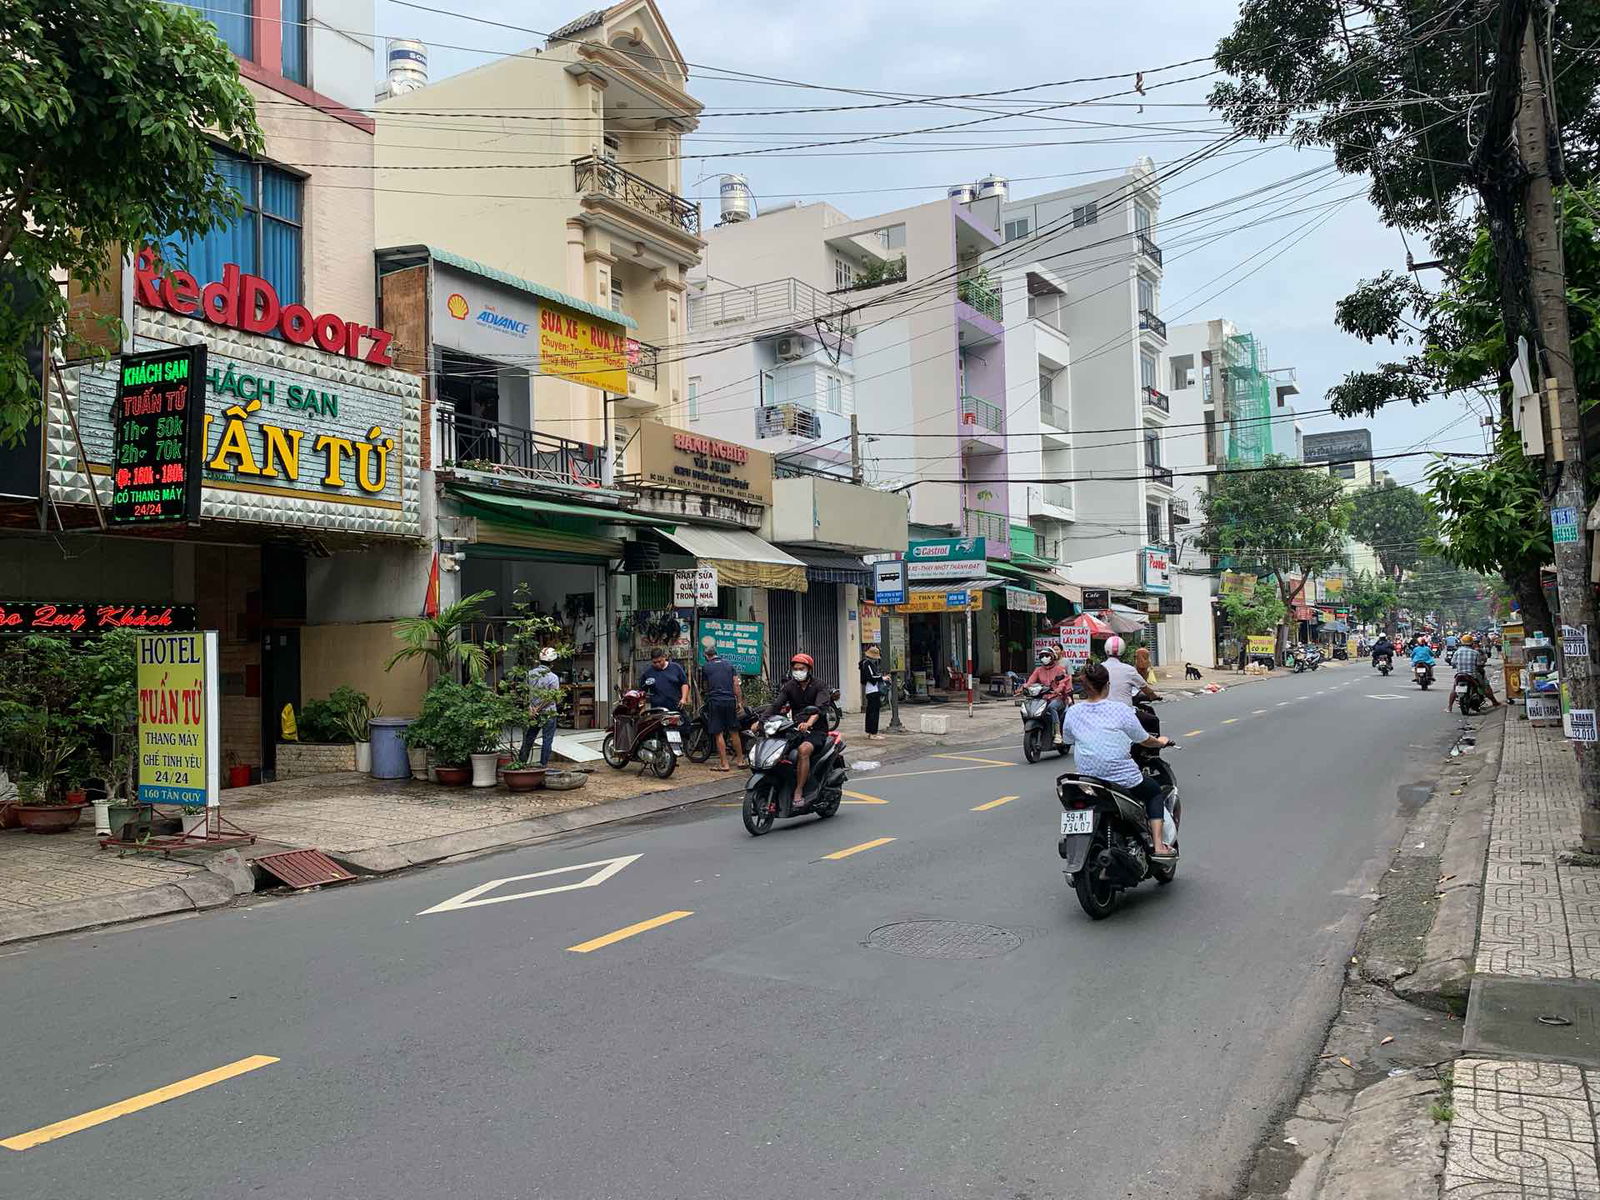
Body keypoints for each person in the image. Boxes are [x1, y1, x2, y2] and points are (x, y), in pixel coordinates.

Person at [1060, 661, 1177, 858]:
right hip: (1122, 778)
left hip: (1088, 780)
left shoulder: (1072, 712)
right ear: (1107, 685)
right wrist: (1160, 742)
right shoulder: (1121, 710)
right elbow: (1144, 739)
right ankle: (1158, 845)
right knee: (1154, 792)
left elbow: (1068, 740)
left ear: (1085, 687)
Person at [761, 654, 830, 812]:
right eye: (795, 669)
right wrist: (760, 721)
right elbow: (776, 705)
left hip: (816, 730)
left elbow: (819, 709)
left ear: (809, 669)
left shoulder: (819, 685)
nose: (798, 671)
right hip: (795, 728)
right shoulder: (790, 686)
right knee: (778, 750)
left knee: (803, 750)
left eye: (801, 668)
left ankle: (799, 790)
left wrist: (809, 723)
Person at [699, 647, 745, 771]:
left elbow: (705, 686)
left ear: (706, 656)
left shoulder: (706, 667)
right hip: (730, 700)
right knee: (734, 731)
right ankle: (740, 761)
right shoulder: (729, 665)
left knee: (718, 732)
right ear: (716, 654)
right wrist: (739, 702)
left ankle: (724, 764)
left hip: (715, 701)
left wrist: (706, 696)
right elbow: (736, 684)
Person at [1016, 646, 1074, 745]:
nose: (1044, 658)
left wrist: (1058, 690)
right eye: (1042, 656)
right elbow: (1030, 681)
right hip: (1043, 698)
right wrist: (1022, 688)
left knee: (1052, 707)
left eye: (1047, 655)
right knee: (1027, 707)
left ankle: (1057, 733)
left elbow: (1063, 682)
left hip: (1058, 698)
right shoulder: (1038, 670)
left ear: (1052, 657)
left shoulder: (1060, 669)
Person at [519, 646, 564, 767]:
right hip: (548, 713)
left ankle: (521, 763)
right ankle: (543, 765)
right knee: (547, 740)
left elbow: (525, 693)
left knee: (529, 738)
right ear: (552, 663)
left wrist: (531, 708)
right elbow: (552, 697)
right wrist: (538, 708)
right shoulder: (553, 678)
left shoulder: (530, 674)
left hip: (532, 713)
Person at [1101, 635, 1160, 708]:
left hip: (1103, 710)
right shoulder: (1129, 669)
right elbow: (1144, 687)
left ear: (1106, 649)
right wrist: (1153, 695)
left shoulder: (1098, 668)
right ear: (1122, 650)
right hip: (1126, 710)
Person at [1448, 634, 1501, 711]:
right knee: (1484, 686)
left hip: (1459, 674)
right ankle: (1494, 702)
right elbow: (1479, 664)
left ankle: (1449, 707)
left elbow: (1452, 662)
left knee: (1454, 689)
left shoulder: (1457, 652)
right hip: (1472, 675)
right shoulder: (1475, 653)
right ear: (1472, 643)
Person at [639, 648, 690, 713]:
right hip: (657, 710)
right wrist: (642, 706)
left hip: (676, 707)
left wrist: (683, 699)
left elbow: (684, 684)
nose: (657, 664)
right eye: (654, 662)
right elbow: (642, 691)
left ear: (664, 657)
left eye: (659, 661)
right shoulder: (648, 673)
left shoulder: (676, 667)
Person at [859, 644, 887, 742]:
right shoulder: (868, 664)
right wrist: (882, 678)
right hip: (873, 690)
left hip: (870, 690)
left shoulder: (865, 664)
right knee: (874, 713)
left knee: (870, 712)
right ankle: (873, 733)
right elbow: (871, 677)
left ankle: (870, 732)